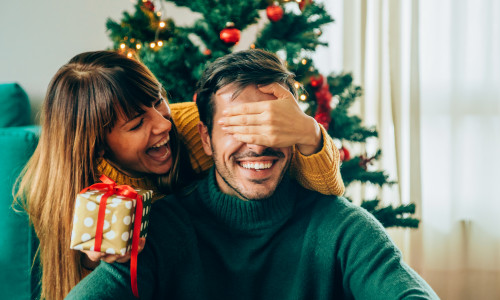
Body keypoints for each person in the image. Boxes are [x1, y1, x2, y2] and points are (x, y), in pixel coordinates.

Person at [65, 49, 438, 300]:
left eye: (270, 126)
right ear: (206, 139)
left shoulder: (341, 228)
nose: (256, 145)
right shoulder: (157, 232)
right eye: (237, 127)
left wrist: (310, 133)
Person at [14, 50, 345, 300]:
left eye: (158, 101)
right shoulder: (77, 197)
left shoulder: (197, 129)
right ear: (98, 148)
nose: (162, 124)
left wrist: (308, 132)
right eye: (136, 124)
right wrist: (94, 264)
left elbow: (325, 192)